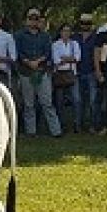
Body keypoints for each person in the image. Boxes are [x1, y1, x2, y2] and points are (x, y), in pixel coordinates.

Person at [15, 7, 62, 137]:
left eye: (36, 18)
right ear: (26, 20)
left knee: (47, 102)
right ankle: (31, 132)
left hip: (42, 72)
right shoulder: (19, 35)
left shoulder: (45, 36)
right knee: (29, 104)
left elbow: (48, 53)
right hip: (25, 72)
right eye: (31, 18)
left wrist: (38, 61)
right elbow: (18, 53)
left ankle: (56, 131)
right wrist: (28, 62)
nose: (33, 21)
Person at [51, 23, 82, 133]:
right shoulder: (55, 45)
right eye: (64, 31)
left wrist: (64, 58)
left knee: (76, 100)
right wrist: (69, 59)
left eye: (68, 31)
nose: (66, 33)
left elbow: (77, 58)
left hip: (72, 74)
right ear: (60, 32)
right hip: (59, 75)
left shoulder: (75, 44)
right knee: (59, 102)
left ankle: (77, 124)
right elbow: (56, 60)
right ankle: (60, 124)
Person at [74, 14, 101, 134]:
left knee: (93, 100)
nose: (85, 25)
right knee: (78, 100)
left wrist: (98, 71)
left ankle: (93, 125)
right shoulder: (74, 37)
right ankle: (78, 125)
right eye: (83, 23)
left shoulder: (97, 38)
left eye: (88, 23)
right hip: (76, 72)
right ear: (80, 24)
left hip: (91, 71)